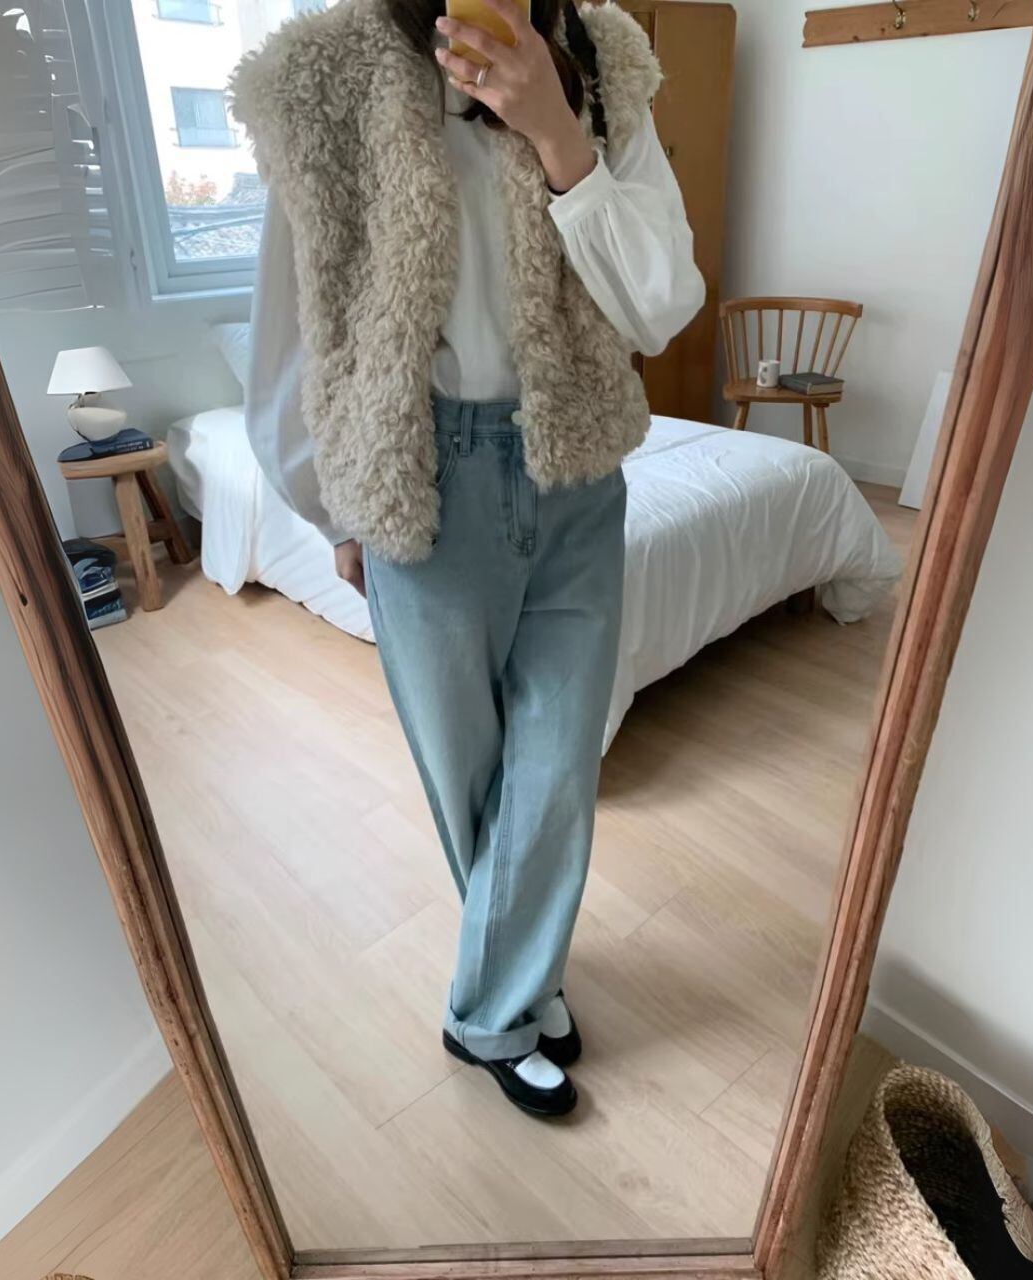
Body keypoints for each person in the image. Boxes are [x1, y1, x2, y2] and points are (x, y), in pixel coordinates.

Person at [233, 0, 703, 1117]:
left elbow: (660, 306)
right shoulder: (325, 75)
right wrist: (336, 509)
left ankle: (487, 1011)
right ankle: (525, 984)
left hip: (576, 466)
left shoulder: (603, 60)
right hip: (420, 478)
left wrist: (557, 131)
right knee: (471, 777)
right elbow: (294, 330)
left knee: (557, 766)